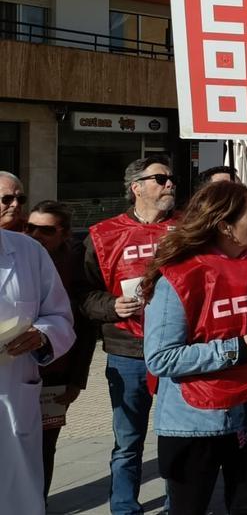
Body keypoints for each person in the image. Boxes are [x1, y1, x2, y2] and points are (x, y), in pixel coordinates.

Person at [142, 180, 247, 514]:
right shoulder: (179, 276)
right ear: (226, 225)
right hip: (197, 422)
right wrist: (238, 348)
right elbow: (161, 359)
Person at [81, 155, 178, 515]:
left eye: (170, 178)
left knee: (176, 437)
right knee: (128, 440)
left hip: (178, 350)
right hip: (128, 351)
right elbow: (84, 294)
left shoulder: (189, 230)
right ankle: (123, 507)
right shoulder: (104, 235)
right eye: (160, 178)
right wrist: (111, 307)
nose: (170, 184)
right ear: (136, 187)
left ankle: (177, 504)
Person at [0, 226, 75, 515]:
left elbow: (60, 317)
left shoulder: (28, 252)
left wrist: (42, 335)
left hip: (13, 396)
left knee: (16, 496)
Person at [26, 200, 97, 497]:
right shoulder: (18, 258)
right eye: (30, 227)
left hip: (55, 373)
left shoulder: (74, 269)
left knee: (44, 446)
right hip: (16, 368)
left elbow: (84, 329)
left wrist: (77, 380)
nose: (35, 235)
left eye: (45, 230)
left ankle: (39, 502)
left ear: (64, 233)